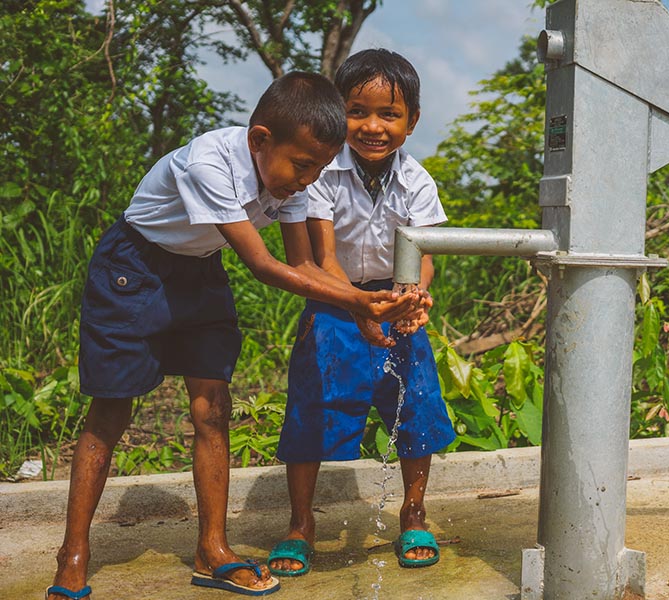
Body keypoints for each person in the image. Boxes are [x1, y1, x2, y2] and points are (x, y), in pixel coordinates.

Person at [47, 72, 425, 600]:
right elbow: (262, 264)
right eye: (301, 165)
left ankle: (213, 549)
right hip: (133, 270)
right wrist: (357, 299)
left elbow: (304, 264)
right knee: (112, 410)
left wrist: (362, 310)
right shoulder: (209, 163)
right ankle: (74, 554)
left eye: (318, 168)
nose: (308, 180)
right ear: (259, 140)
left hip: (201, 271)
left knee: (213, 409)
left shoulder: (296, 177)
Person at [266, 49, 456, 577]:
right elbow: (324, 257)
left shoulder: (418, 179)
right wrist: (356, 305)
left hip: (395, 297)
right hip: (332, 297)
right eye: (357, 111)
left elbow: (422, 258)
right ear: (337, 112)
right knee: (313, 406)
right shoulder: (323, 174)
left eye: (389, 115)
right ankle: (301, 524)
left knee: (414, 406)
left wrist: (412, 302)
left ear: (411, 121)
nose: (373, 126)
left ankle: (414, 512)